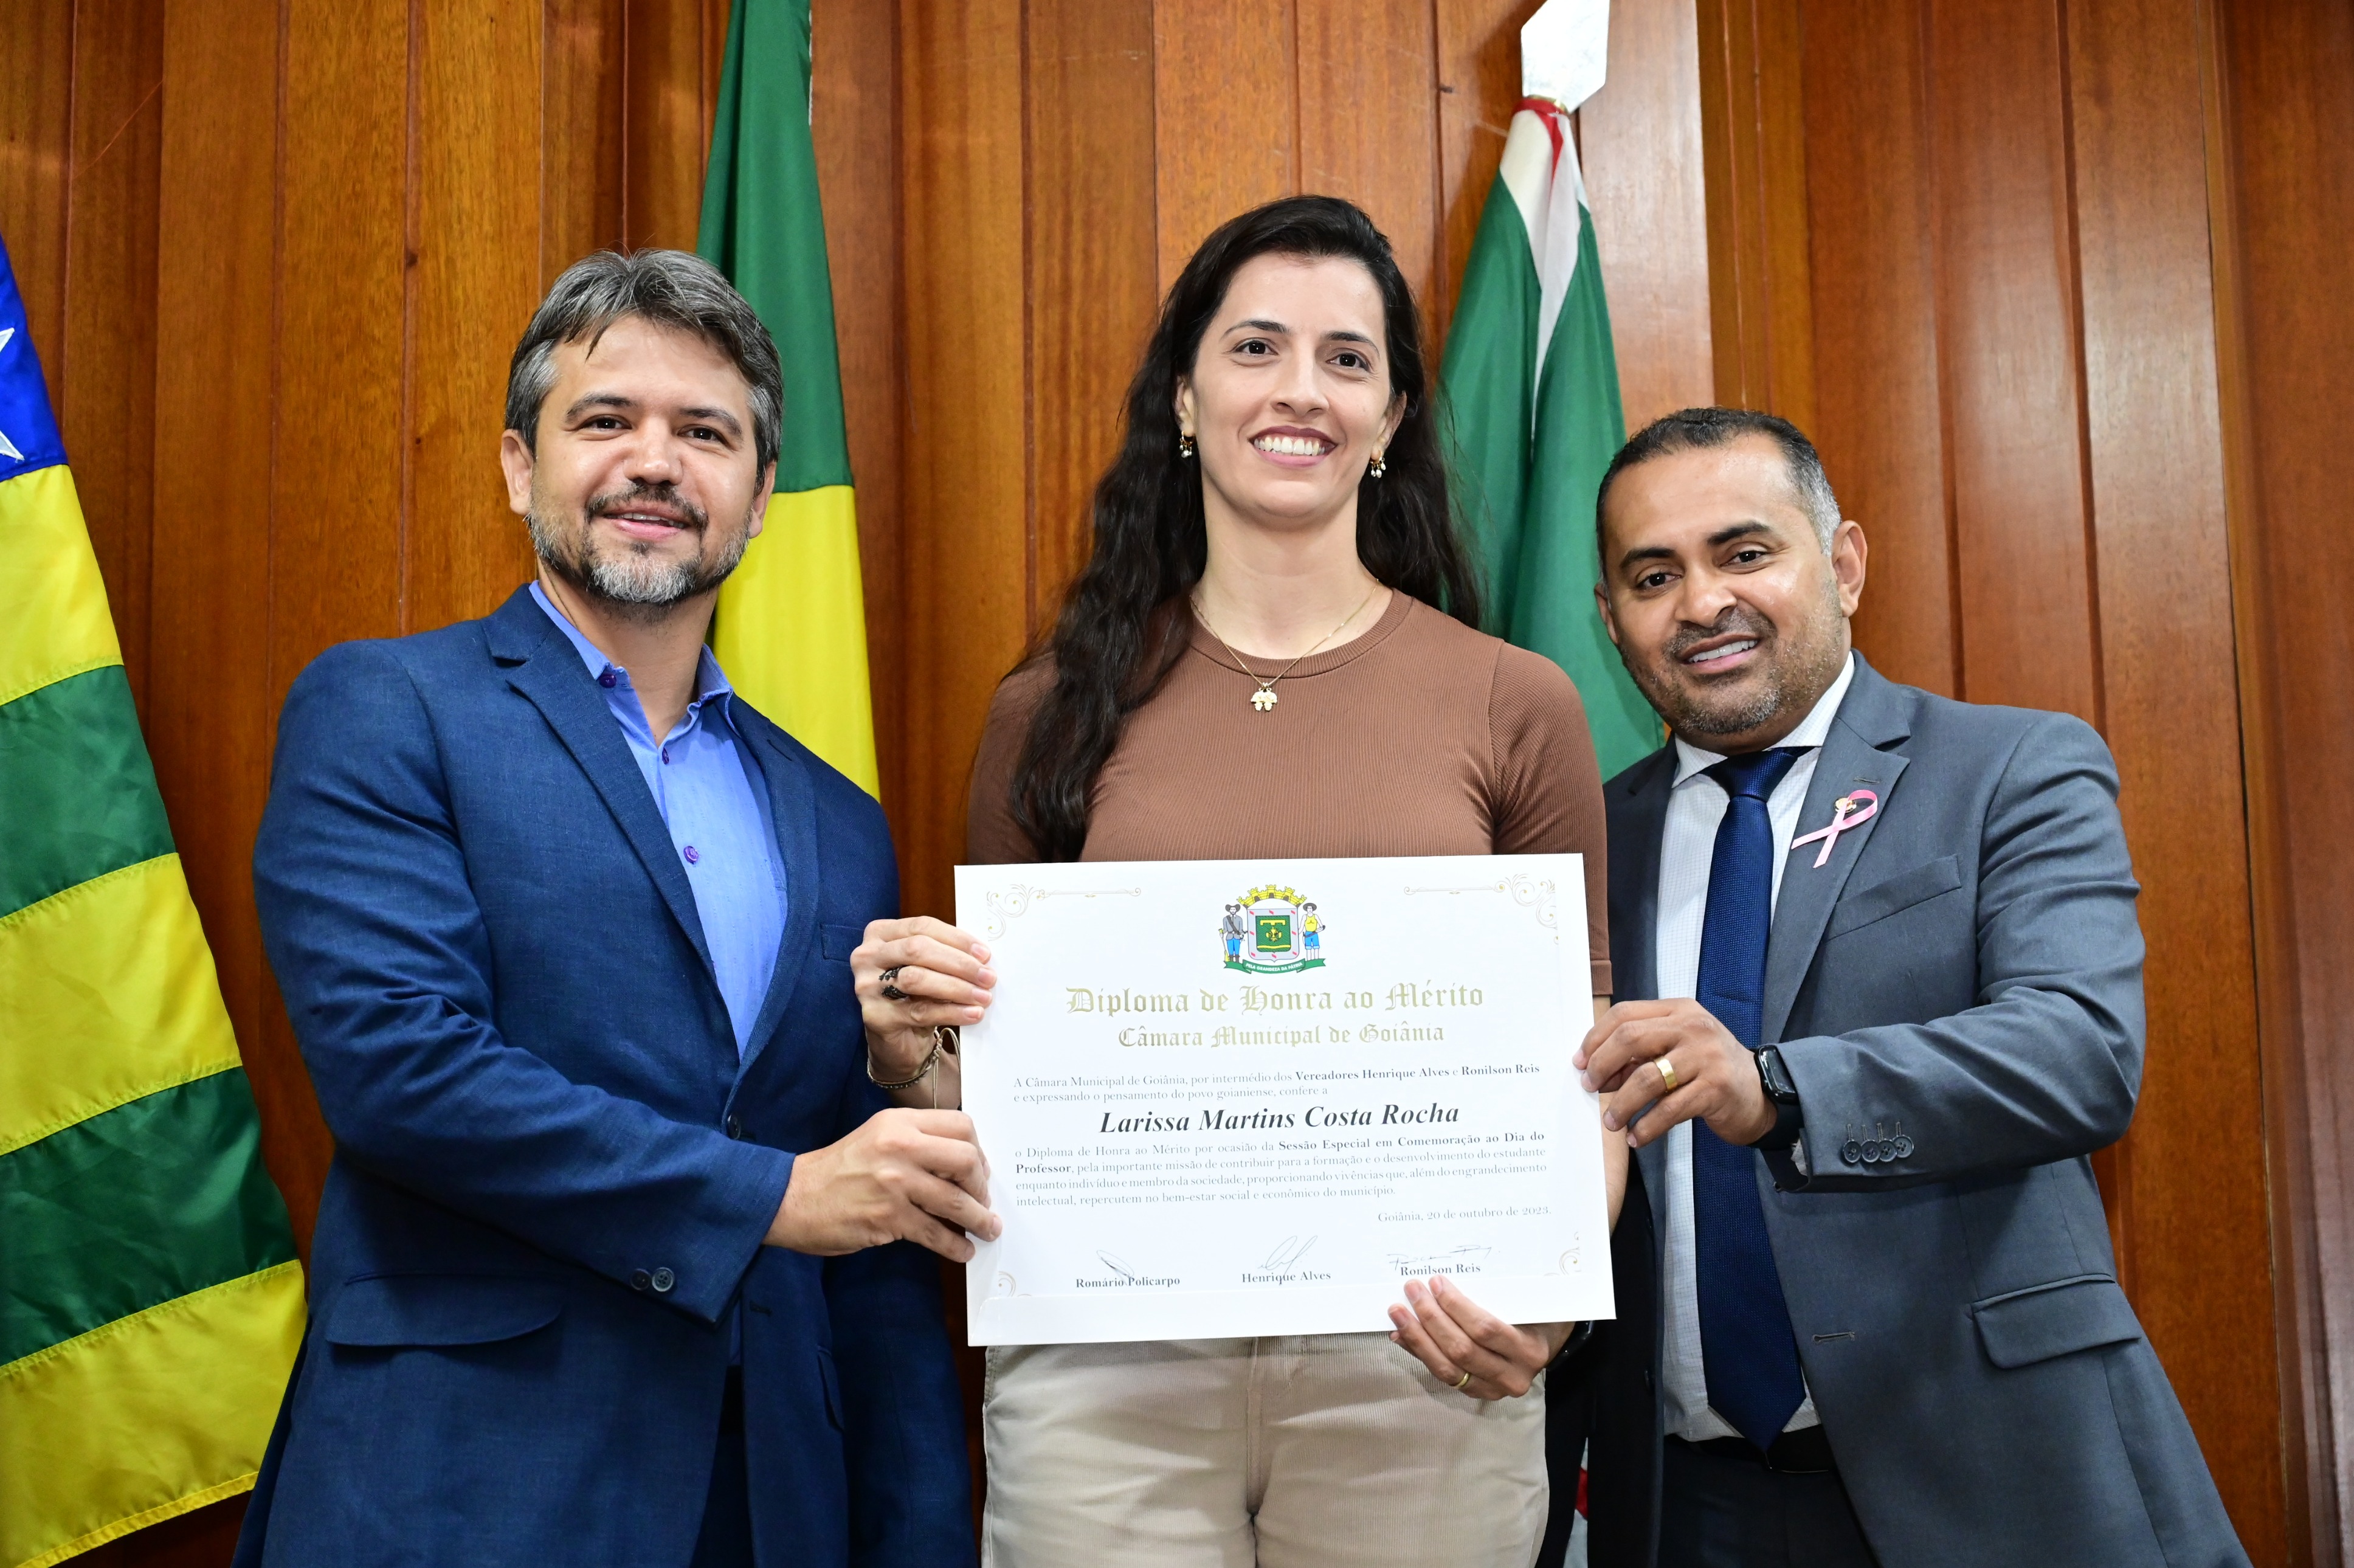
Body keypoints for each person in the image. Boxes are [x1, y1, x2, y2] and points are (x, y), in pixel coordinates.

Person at [850, 195, 1626, 1568]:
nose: (1300, 390)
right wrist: (910, 1059)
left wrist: (1552, 1295)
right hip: (1107, 1378)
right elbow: (995, 1092)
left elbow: (1588, 1062)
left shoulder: (1517, 703)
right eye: (1257, 347)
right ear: (1185, 399)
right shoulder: (1049, 712)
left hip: (1421, 1372)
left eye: (1347, 359)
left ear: (1390, 419)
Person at [237, 250, 987, 1568]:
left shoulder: (839, 820)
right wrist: (768, 1196)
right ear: (518, 467)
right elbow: (401, 1072)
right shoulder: (388, 710)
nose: (654, 463)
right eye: (604, 421)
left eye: (705, 432)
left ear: (761, 497)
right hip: (469, 1486)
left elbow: (870, 1220)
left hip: (774, 1500)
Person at [1563, 406, 2247, 1567]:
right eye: (1653, 576)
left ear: (1844, 564)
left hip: (1992, 1469)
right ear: (1610, 617)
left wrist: (1777, 1088)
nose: (1701, 603)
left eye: (1744, 553)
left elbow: (2079, 1052)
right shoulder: (1582, 846)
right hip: (1680, 1504)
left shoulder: (2011, 769)